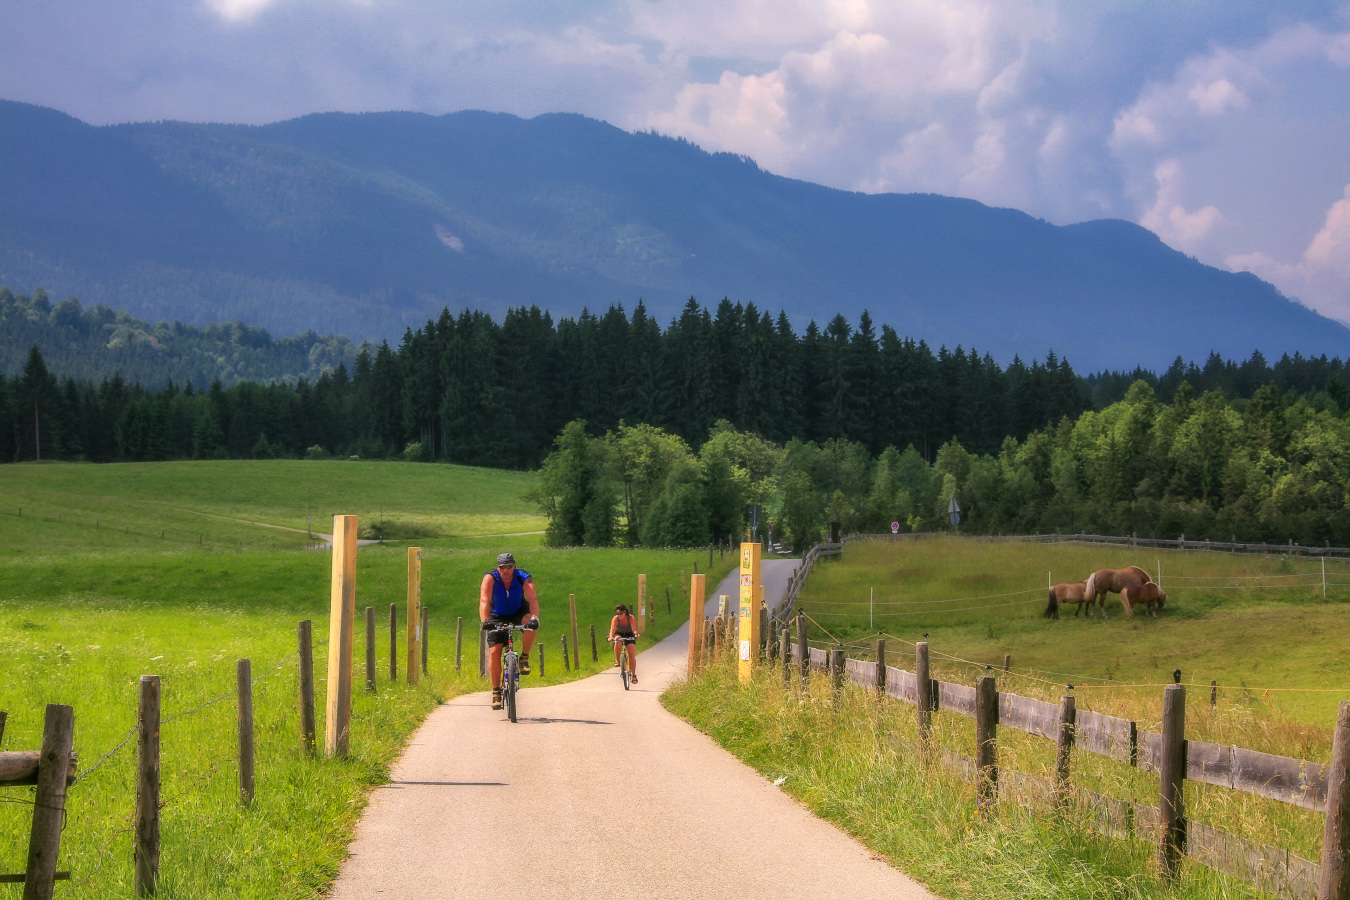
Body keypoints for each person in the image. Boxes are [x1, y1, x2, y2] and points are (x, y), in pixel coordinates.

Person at [480, 552, 540, 710]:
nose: (506, 570)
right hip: (496, 614)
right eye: (502, 567)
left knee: (531, 623)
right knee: (494, 651)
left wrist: (535, 617)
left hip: (519, 611)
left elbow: (532, 598)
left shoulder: (523, 576)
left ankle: (524, 658)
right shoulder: (490, 578)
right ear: (497, 568)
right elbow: (484, 599)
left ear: (514, 566)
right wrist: (485, 620)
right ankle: (496, 692)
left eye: (509, 567)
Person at [608, 603, 640, 685]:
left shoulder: (631, 617)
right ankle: (617, 660)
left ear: (625, 612)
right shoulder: (615, 619)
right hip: (619, 633)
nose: (619, 615)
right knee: (617, 641)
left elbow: (634, 629)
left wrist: (636, 634)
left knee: (631, 653)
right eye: (617, 613)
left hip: (629, 634)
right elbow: (612, 629)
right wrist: (611, 637)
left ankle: (633, 675)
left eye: (621, 613)